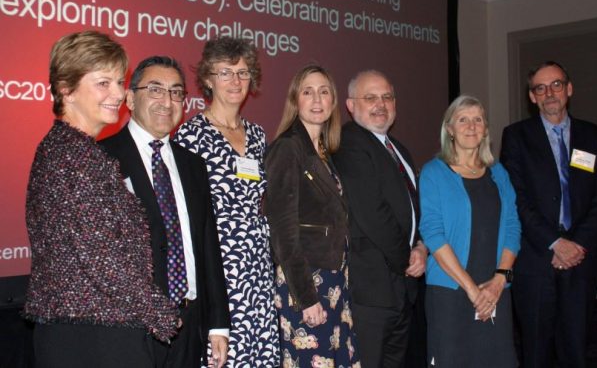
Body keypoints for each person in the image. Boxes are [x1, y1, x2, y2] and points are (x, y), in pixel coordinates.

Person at [23, 31, 179, 367]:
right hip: (94, 338)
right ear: (66, 88)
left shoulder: (69, 151)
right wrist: (161, 311)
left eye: (120, 82)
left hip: (87, 330)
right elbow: (102, 260)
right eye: (103, 83)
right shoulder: (73, 158)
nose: (119, 94)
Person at [100, 56, 230, 368]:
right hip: (132, 326)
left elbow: (207, 246)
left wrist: (218, 324)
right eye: (155, 90)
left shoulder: (192, 165)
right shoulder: (103, 158)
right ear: (130, 99)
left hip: (189, 322)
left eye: (176, 92)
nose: (167, 101)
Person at [500, 61, 597, 368]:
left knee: (575, 351)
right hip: (536, 263)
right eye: (541, 88)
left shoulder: (594, 137)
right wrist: (555, 243)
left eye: (556, 85)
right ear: (532, 96)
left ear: (569, 89)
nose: (549, 93)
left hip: (581, 261)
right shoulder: (516, 137)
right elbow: (517, 199)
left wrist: (576, 245)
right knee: (535, 353)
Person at [174, 37, 279, 366]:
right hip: (218, 270)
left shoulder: (259, 136)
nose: (235, 81)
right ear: (207, 78)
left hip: (259, 269)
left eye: (243, 72)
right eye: (225, 72)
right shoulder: (190, 136)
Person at [263, 64, 361, 368]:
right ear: (295, 101)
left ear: (333, 102)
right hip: (306, 286)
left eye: (324, 91)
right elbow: (283, 232)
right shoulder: (287, 148)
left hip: (334, 285)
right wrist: (306, 296)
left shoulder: (324, 153)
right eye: (308, 92)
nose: (317, 99)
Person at [418, 95, 521, 368]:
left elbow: (513, 227)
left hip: (496, 289)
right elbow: (433, 234)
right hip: (450, 294)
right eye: (463, 119)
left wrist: (500, 280)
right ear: (449, 129)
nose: (471, 126)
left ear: (486, 128)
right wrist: (473, 292)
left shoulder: (499, 173)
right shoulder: (433, 173)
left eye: (478, 119)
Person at [333, 70, 427, 368]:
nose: (381, 104)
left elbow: (414, 210)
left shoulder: (398, 149)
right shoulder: (350, 143)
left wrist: (422, 247)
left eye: (387, 97)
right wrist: (407, 259)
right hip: (372, 290)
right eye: (370, 97)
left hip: (399, 288)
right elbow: (373, 214)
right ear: (350, 105)